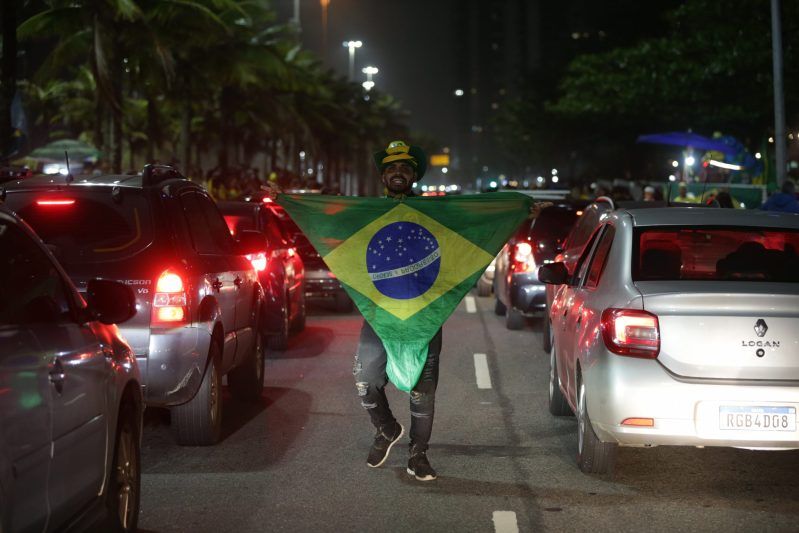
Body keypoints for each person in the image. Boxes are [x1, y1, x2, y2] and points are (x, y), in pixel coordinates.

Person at [355, 140, 549, 482]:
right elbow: (323, 220)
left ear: (414, 176)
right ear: (382, 176)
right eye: (391, 168)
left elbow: (476, 218)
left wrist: (518, 211)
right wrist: (285, 199)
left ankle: (418, 454)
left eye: (405, 167)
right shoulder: (365, 212)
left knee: (423, 390)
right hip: (379, 314)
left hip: (426, 315)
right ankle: (386, 428)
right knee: (365, 381)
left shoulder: (435, 212)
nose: (398, 172)